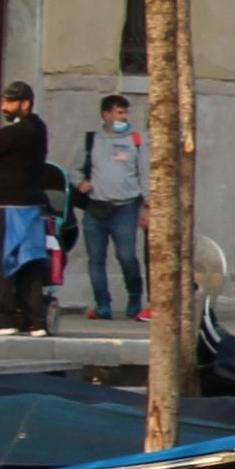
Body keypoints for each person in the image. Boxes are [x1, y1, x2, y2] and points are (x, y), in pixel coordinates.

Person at [0, 84, 49, 334]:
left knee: (0, 263)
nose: (4, 107)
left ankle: (5, 319)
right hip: (31, 206)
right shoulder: (38, 128)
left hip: (9, 206)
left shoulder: (20, 131)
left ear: (25, 103)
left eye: (10, 102)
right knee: (29, 263)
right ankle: (35, 320)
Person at [76, 93, 146, 321]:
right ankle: (102, 304)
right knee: (96, 259)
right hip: (96, 208)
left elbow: (145, 174)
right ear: (106, 115)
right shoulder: (92, 140)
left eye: (126, 113)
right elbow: (74, 169)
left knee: (126, 256)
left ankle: (134, 296)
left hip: (125, 208)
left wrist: (148, 206)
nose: (124, 117)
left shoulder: (136, 140)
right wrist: (80, 183)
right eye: (119, 112)